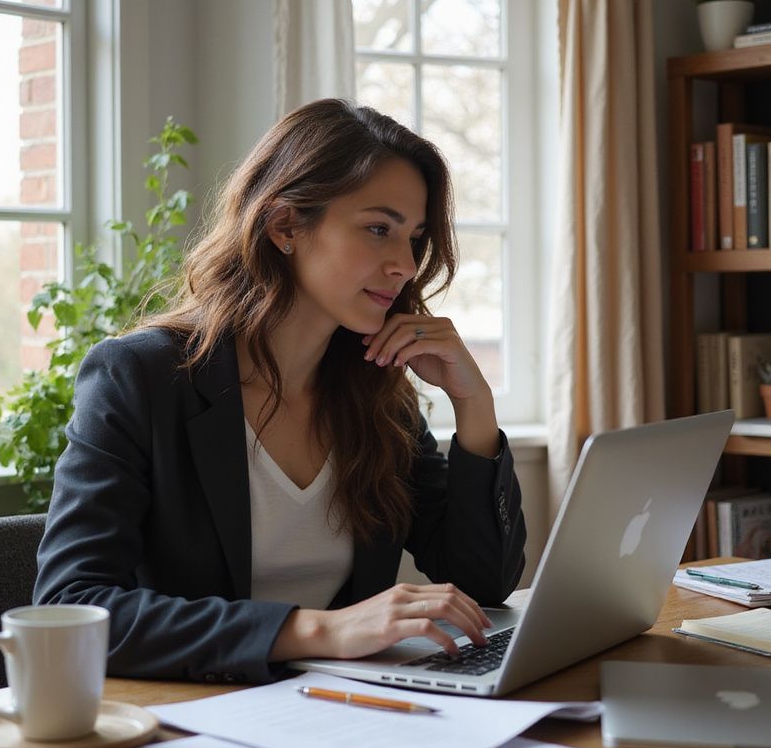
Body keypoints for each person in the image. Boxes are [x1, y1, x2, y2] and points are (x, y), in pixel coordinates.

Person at [34, 99, 526, 684]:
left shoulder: (379, 393)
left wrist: (474, 405)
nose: (403, 265)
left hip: (347, 711)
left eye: (414, 238)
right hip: (192, 716)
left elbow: (484, 583)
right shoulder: (138, 378)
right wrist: (321, 630)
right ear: (285, 226)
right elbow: (72, 607)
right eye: (378, 229)